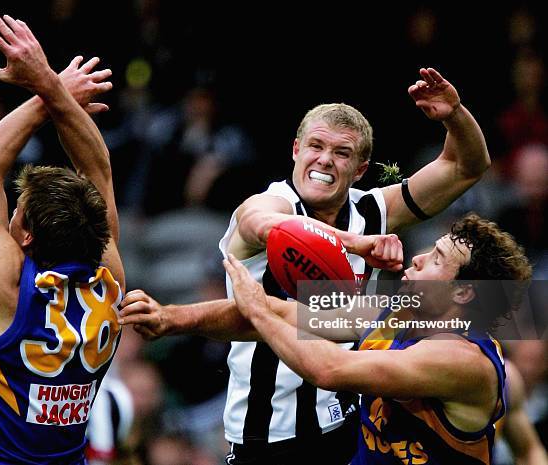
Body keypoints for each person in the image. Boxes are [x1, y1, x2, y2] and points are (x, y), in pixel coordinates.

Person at [123, 67, 491, 463]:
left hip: (352, 425)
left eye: (342, 153)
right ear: (296, 149)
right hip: (270, 434)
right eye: (316, 146)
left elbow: (466, 167)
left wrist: (455, 114)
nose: (325, 160)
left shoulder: (374, 209)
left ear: (360, 170)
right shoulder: (269, 203)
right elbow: (261, 225)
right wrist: (353, 242)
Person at [216, 213, 531, 464]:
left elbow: (329, 370)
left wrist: (258, 312)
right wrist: (171, 319)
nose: (418, 258)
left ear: (463, 292)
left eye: (436, 259)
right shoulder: (399, 309)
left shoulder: (462, 361)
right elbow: (291, 315)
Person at [0, 14, 124, 465]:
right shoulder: (110, 282)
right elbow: (98, 168)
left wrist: (48, 87)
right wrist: (51, 88)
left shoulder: (8, 289)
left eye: (17, 209)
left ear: (25, 234)